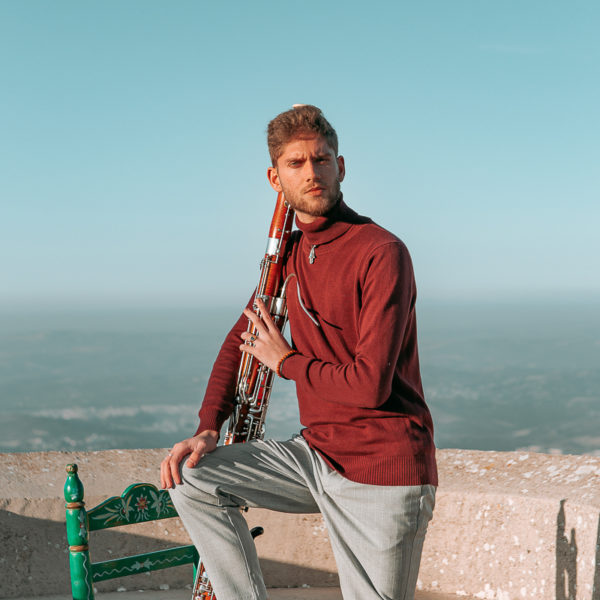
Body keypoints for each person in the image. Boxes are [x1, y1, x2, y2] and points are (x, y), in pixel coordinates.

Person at [161, 104, 438, 600]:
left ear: (341, 166)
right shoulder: (286, 254)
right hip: (317, 457)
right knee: (191, 477)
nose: (312, 173)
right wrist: (208, 427)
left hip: (383, 468)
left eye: (322, 159)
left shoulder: (381, 251)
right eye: (296, 163)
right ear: (275, 177)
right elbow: (241, 339)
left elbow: (370, 383)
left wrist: (286, 362)